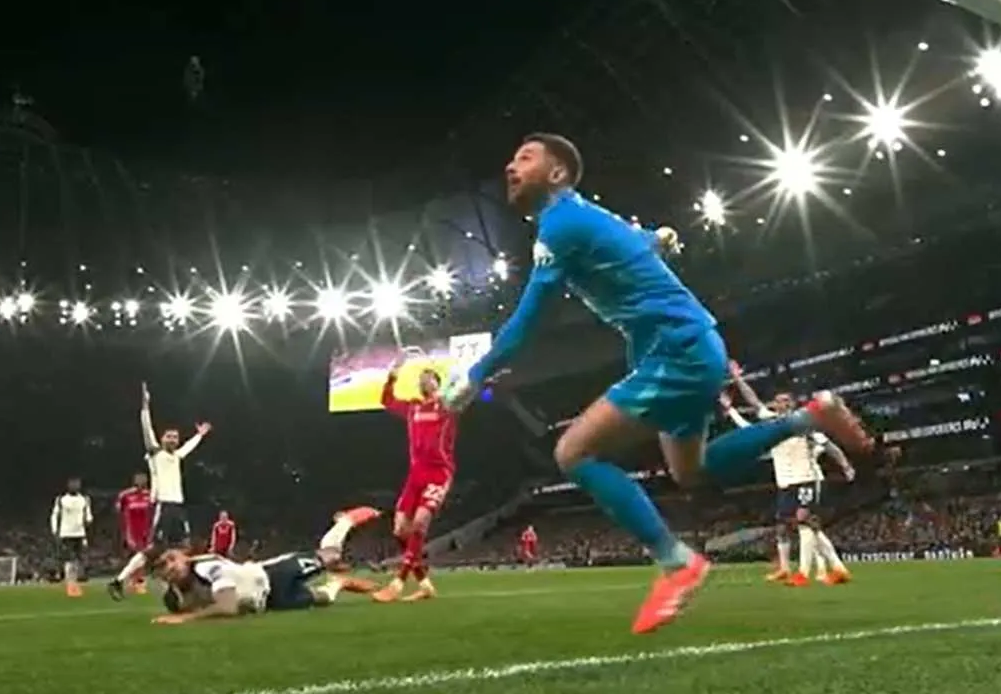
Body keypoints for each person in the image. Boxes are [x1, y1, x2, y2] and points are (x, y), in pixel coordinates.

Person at [445, 134, 873, 633]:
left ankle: (676, 562)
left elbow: (530, 318)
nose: (510, 166)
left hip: (677, 350)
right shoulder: (586, 216)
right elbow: (636, 240)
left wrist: (476, 374)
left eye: (525, 158)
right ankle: (806, 418)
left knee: (573, 453)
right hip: (689, 346)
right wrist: (659, 237)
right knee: (692, 470)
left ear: (557, 173)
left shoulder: (559, 225)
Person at [724, 369, 855, 586]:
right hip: (785, 484)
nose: (782, 404)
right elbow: (754, 402)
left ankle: (802, 574)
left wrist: (845, 465)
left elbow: (828, 446)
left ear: (792, 404)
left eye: (786, 401)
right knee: (803, 526)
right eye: (778, 401)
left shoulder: (802, 424)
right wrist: (738, 379)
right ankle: (838, 568)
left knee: (805, 523)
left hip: (806, 479)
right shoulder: (770, 423)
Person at [151, 507, 382, 625]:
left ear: (184, 556)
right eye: (163, 566)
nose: (170, 566)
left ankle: (345, 521)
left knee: (331, 555)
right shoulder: (178, 594)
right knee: (324, 599)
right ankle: (339, 582)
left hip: (274, 574)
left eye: (172, 559)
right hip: (271, 601)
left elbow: (228, 607)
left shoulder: (206, 567)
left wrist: (186, 619)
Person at [372, 351, 458, 603]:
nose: (423, 380)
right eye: (421, 377)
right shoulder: (412, 408)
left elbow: (469, 392)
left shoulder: (447, 407)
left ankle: (398, 581)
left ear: (437, 383)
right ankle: (425, 584)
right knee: (400, 530)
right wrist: (394, 373)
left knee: (420, 523)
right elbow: (386, 400)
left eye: (428, 376)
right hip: (416, 474)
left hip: (439, 472)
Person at [110, 383, 208, 599]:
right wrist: (145, 407)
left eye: (175, 437)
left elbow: (188, 448)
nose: (172, 439)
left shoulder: (177, 456)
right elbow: (147, 430)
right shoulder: (156, 454)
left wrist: (199, 435)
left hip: (178, 507)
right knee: (153, 550)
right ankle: (120, 580)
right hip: (163, 506)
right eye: (169, 436)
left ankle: (172, 587)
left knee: (182, 548)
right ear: (162, 439)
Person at [108, 473, 155, 599]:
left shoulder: (150, 495)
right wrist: (122, 528)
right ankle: (134, 580)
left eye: (143, 479)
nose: (141, 482)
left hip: (147, 530)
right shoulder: (125, 495)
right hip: (131, 530)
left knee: (144, 555)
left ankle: (138, 581)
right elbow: (118, 510)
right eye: (139, 479)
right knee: (135, 554)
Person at [51, 477, 92, 597]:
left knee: (78, 559)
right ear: (68, 486)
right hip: (66, 533)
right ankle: (70, 584)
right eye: (72, 484)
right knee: (69, 559)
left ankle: (74, 582)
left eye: (77, 484)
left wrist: (88, 521)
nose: (75, 486)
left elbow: (88, 515)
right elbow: (55, 515)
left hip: (80, 533)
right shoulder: (61, 500)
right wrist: (55, 530)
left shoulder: (84, 499)